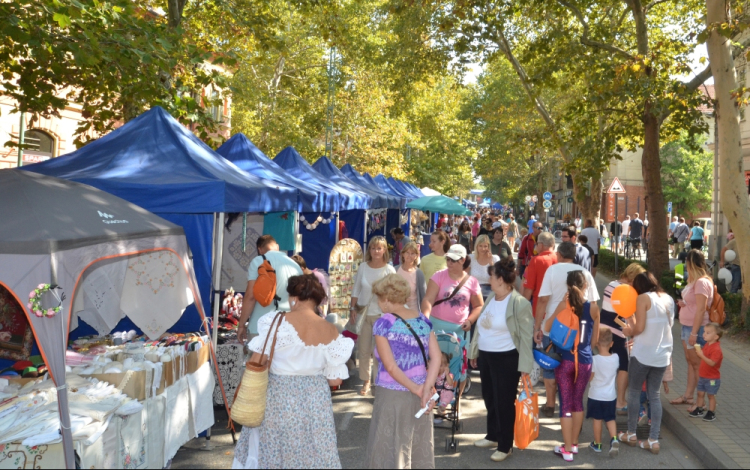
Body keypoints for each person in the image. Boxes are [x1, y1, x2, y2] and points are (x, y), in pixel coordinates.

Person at [233, 274, 354, 469]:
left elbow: (257, 360)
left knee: (273, 450)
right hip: (315, 400)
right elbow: (335, 380)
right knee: (314, 452)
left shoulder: (276, 322)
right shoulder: (331, 330)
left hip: (278, 397)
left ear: (293, 298)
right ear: (316, 300)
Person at [366, 274, 441, 469]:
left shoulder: (384, 323)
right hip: (421, 395)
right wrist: (426, 388)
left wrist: (416, 388)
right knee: (417, 445)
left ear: (387, 300)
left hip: (392, 394)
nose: (379, 303)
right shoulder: (423, 321)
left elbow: (390, 367)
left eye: (379, 298)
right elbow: (437, 358)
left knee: (389, 447)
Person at [468, 258, 534, 463]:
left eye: (491, 275)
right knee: (489, 398)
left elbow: (525, 337)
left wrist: (525, 366)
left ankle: (505, 446)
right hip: (487, 356)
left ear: (501, 279)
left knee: (504, 402)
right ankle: (493, 435)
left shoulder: (519, 303)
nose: (488, 278)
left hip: (506, 359)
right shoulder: (491, 298)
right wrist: (475, 352)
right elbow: (481, 326)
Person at [534, 242, 599, 418]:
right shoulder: (584, 272)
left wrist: (537, 326)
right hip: (578, 332)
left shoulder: (552, 270)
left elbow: (542, 300)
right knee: (574, 371)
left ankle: (549, 404)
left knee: (550, 366)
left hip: (554, 328)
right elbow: (593, 303)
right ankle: (573, 408)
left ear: (559, 255)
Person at [545, 270, 600, 463]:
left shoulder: (564, 304)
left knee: (566, 404)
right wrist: (586, 351)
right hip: (584, 361)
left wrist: (561, 306)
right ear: (586, 285)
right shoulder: (593, 307)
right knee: (578, 401)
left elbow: (547, 327)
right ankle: (574, 443)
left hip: (565, 360)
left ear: (568, 286)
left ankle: (566, 448)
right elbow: (595, 339)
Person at [620, 272, 675, 454]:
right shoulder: (668, 298)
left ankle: (631, 434)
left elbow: (640, 328)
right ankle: (653, 440)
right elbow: (668, 325)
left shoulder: (643, 298)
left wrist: (629, 329)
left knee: (634, 392)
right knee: (655, 395)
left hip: (643, 353)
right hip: (662, 355)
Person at [422, 244, 484, 394]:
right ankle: (433, 399)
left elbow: (479, 306)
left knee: (459, 367)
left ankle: (455, 401)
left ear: (463, 260)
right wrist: (425, 319)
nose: (449, 263)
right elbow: (428, 300)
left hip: (459, 331)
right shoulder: (438, 276)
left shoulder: (471, 281)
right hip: (436, 327)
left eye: (453, 260)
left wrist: (470, 320)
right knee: (435, 364)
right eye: (448, 259)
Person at [350, 236, 397, 396]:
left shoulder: (389, 270)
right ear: (369, 250)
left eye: (379, 248)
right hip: (364, 314)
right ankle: (366, 380)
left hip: (382, 316)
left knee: (379, 352)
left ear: (384, 250)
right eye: (373, 248)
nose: (376, 251)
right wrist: (352, 308)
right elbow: (356, 289)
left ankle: (378, 381)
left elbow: (394, 294)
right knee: (363, 350)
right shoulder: (363, 267)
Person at [600, 263, 647, 413]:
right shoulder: (627, 290)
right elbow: (628, 314)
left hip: (603, 329)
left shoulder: (611, 284)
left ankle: (603, 398)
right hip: (619, 332)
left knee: (606, 365)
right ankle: (620, 401)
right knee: (624, 366)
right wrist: (635, 332)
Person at [237, 236, 303, 341]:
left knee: (257, 357)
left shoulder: (258, 261)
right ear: (277, 246)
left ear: (259, 249)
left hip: (260, 327)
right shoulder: (295, 265)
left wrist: (241, 325)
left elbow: (251, 296)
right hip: (288, 327)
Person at [671, 250, 713, 407]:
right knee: (691, 363)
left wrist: (694, 333)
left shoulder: (702, 282)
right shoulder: (696, 281)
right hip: (688, 326)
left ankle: (700, 401)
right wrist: (685, 304)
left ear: (691, 263)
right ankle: (688, 396)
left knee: (697, 365)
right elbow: (696, 305)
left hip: (696, 328)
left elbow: (702, 309)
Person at [587, 328, 621, 457]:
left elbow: (590, 377)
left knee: (597, 419)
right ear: (611, 343)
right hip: (610, 396)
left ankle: (598, 444)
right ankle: (614, 439)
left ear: (596, 343)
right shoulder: (616, 358)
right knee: (610, 418)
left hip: (595, 395)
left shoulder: (594, 360)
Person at [689, 323, 723, 422]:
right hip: (703, 375)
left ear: (716, 336)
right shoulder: (707, 345)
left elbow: (712, 363)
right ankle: (699, 409)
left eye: (708, 333)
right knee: (700, 393)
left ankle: (711, 412)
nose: (704, 334)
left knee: (711, 395)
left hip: (712, 378)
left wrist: (701, 355)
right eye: (704, 332)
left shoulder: (716, 349)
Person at [521, 232, 557, 319]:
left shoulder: (536, 260)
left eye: (536, 244)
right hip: (557, 308)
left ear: (540, 245)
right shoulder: (560, 258)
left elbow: (529, 288)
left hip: (539, 307)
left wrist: (521, 307)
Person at [395, 241, 427, 312]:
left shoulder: (419, 273)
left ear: (416, 256)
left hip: (413, 312)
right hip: (396, 312)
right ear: (403, 254)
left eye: (412, 253)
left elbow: (423, 296)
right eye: (407, 253)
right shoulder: (394, 270)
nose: (409, 256)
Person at [468, 234, 500, 300]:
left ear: (489, 247)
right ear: (476, 246)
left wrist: (491, 263)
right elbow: (465, 275)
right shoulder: (471, 258)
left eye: (485, 246)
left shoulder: (495, 258)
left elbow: (498, 278)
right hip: (474, 290)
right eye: (480, 246)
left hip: (490, 290)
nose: (483, 249)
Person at [435, 352, 455, 419]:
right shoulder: (433, 374)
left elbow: (450, 383)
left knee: (449, 394)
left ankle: (442, 406)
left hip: (445, 392)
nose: (438, 368)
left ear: (446, 366)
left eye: (440, 365)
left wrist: (447, 374)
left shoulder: (449, 374)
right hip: (435, 392)